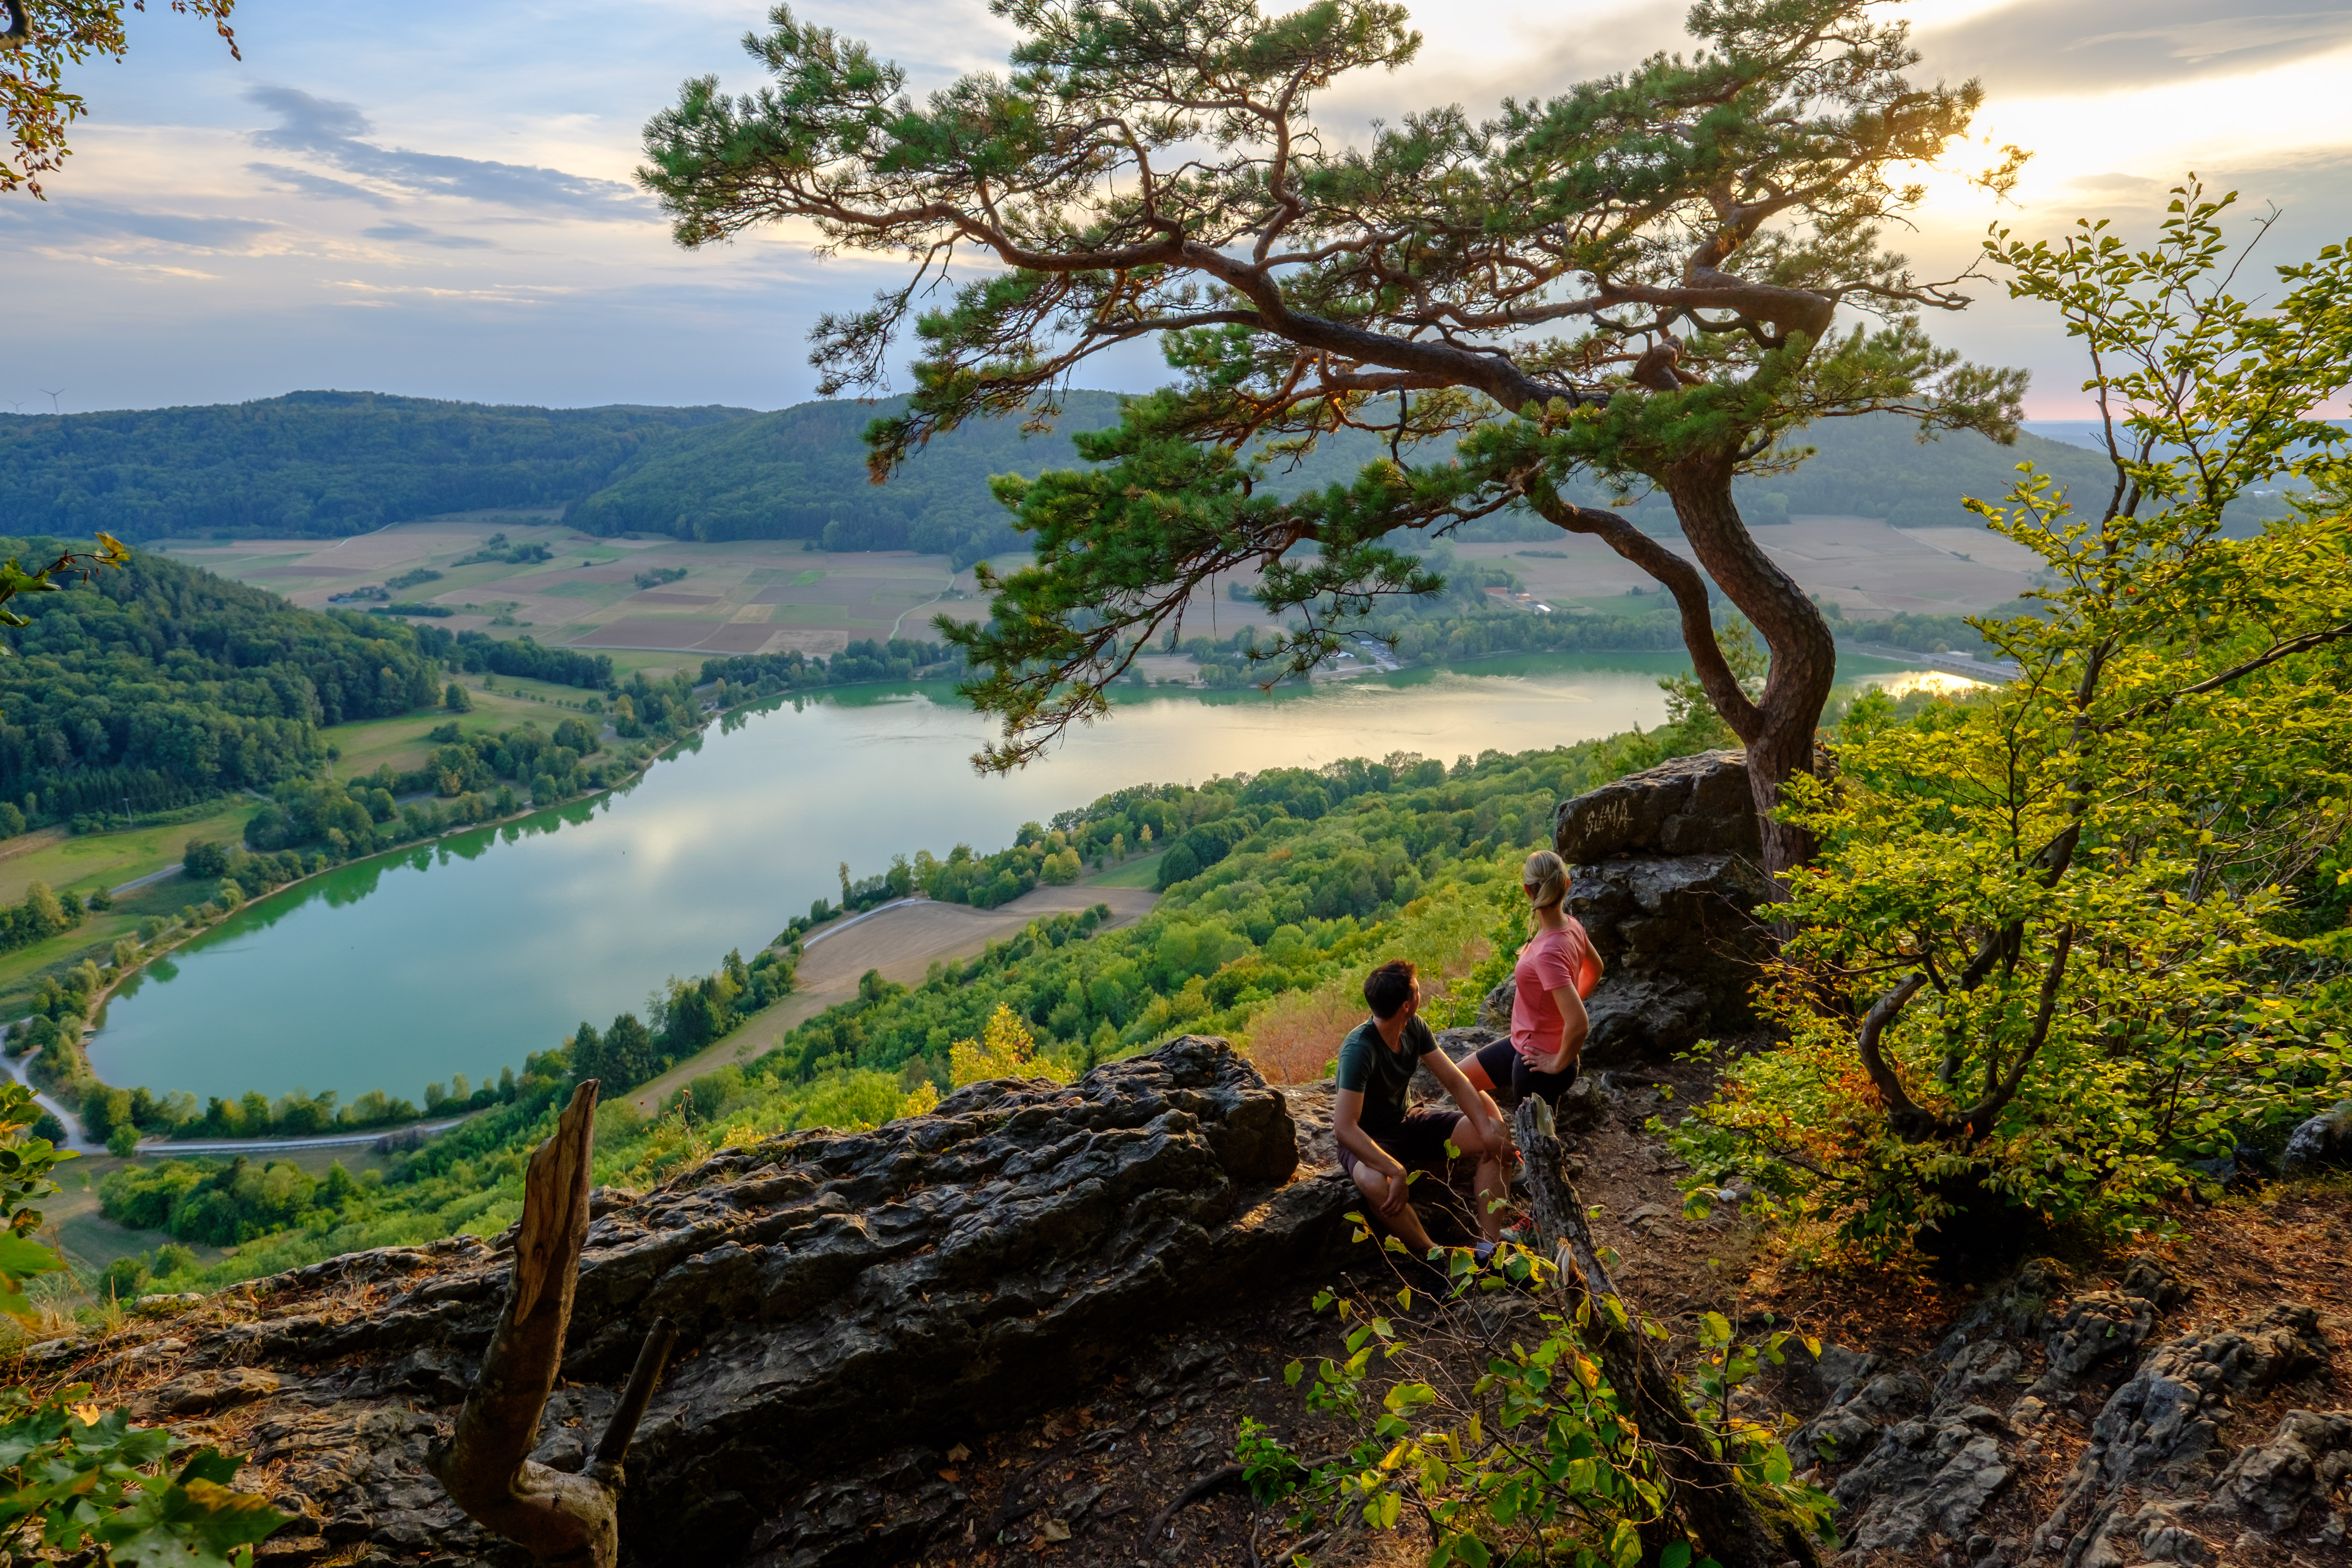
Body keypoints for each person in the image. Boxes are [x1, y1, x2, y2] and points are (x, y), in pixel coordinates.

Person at [1332, 959, 1511, 1255]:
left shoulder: (1413, 1027)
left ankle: (1487, 1248)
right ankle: (1434, 1255)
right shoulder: (1359, 1050)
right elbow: (1344, 1128)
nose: (1421, 991)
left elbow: (1455, 1080)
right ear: (1407, 1004)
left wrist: (1486, 1129)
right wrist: (1396, 1171)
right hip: (1368, 1138)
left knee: (1496, 1133)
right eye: (1417, 989)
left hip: (1407, 1122)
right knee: (1374, 1181)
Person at [1460, 850, 1602, 1107]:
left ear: (1528, 890)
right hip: (1526, 1046)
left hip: (1537, 1064)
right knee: (1459, 1079)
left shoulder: (1547, 951)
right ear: (1566, 884)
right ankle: (1495, 1136)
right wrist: (1564, 1007)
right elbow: (1595, 969)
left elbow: (1579, 1023)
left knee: (1534, 1143)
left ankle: (1507, 1145)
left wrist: (1557, 1061)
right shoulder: (1571, 926)